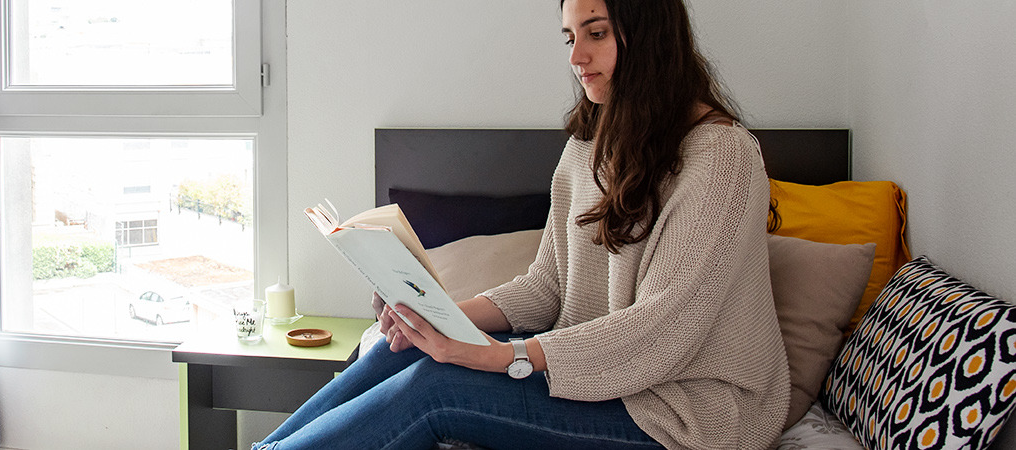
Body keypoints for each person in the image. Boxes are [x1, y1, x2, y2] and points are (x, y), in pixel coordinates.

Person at [254, 0, 790, 449]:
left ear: (651, 35)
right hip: (605, 380)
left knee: (436, 387)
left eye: (596, 34)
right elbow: (547, 288)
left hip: (688, 412)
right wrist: (438, 320)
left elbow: (662, 330)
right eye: (569, 38)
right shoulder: (588, 147)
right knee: (401, 350)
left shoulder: (722, 157)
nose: (577, 58)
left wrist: (501, 355)